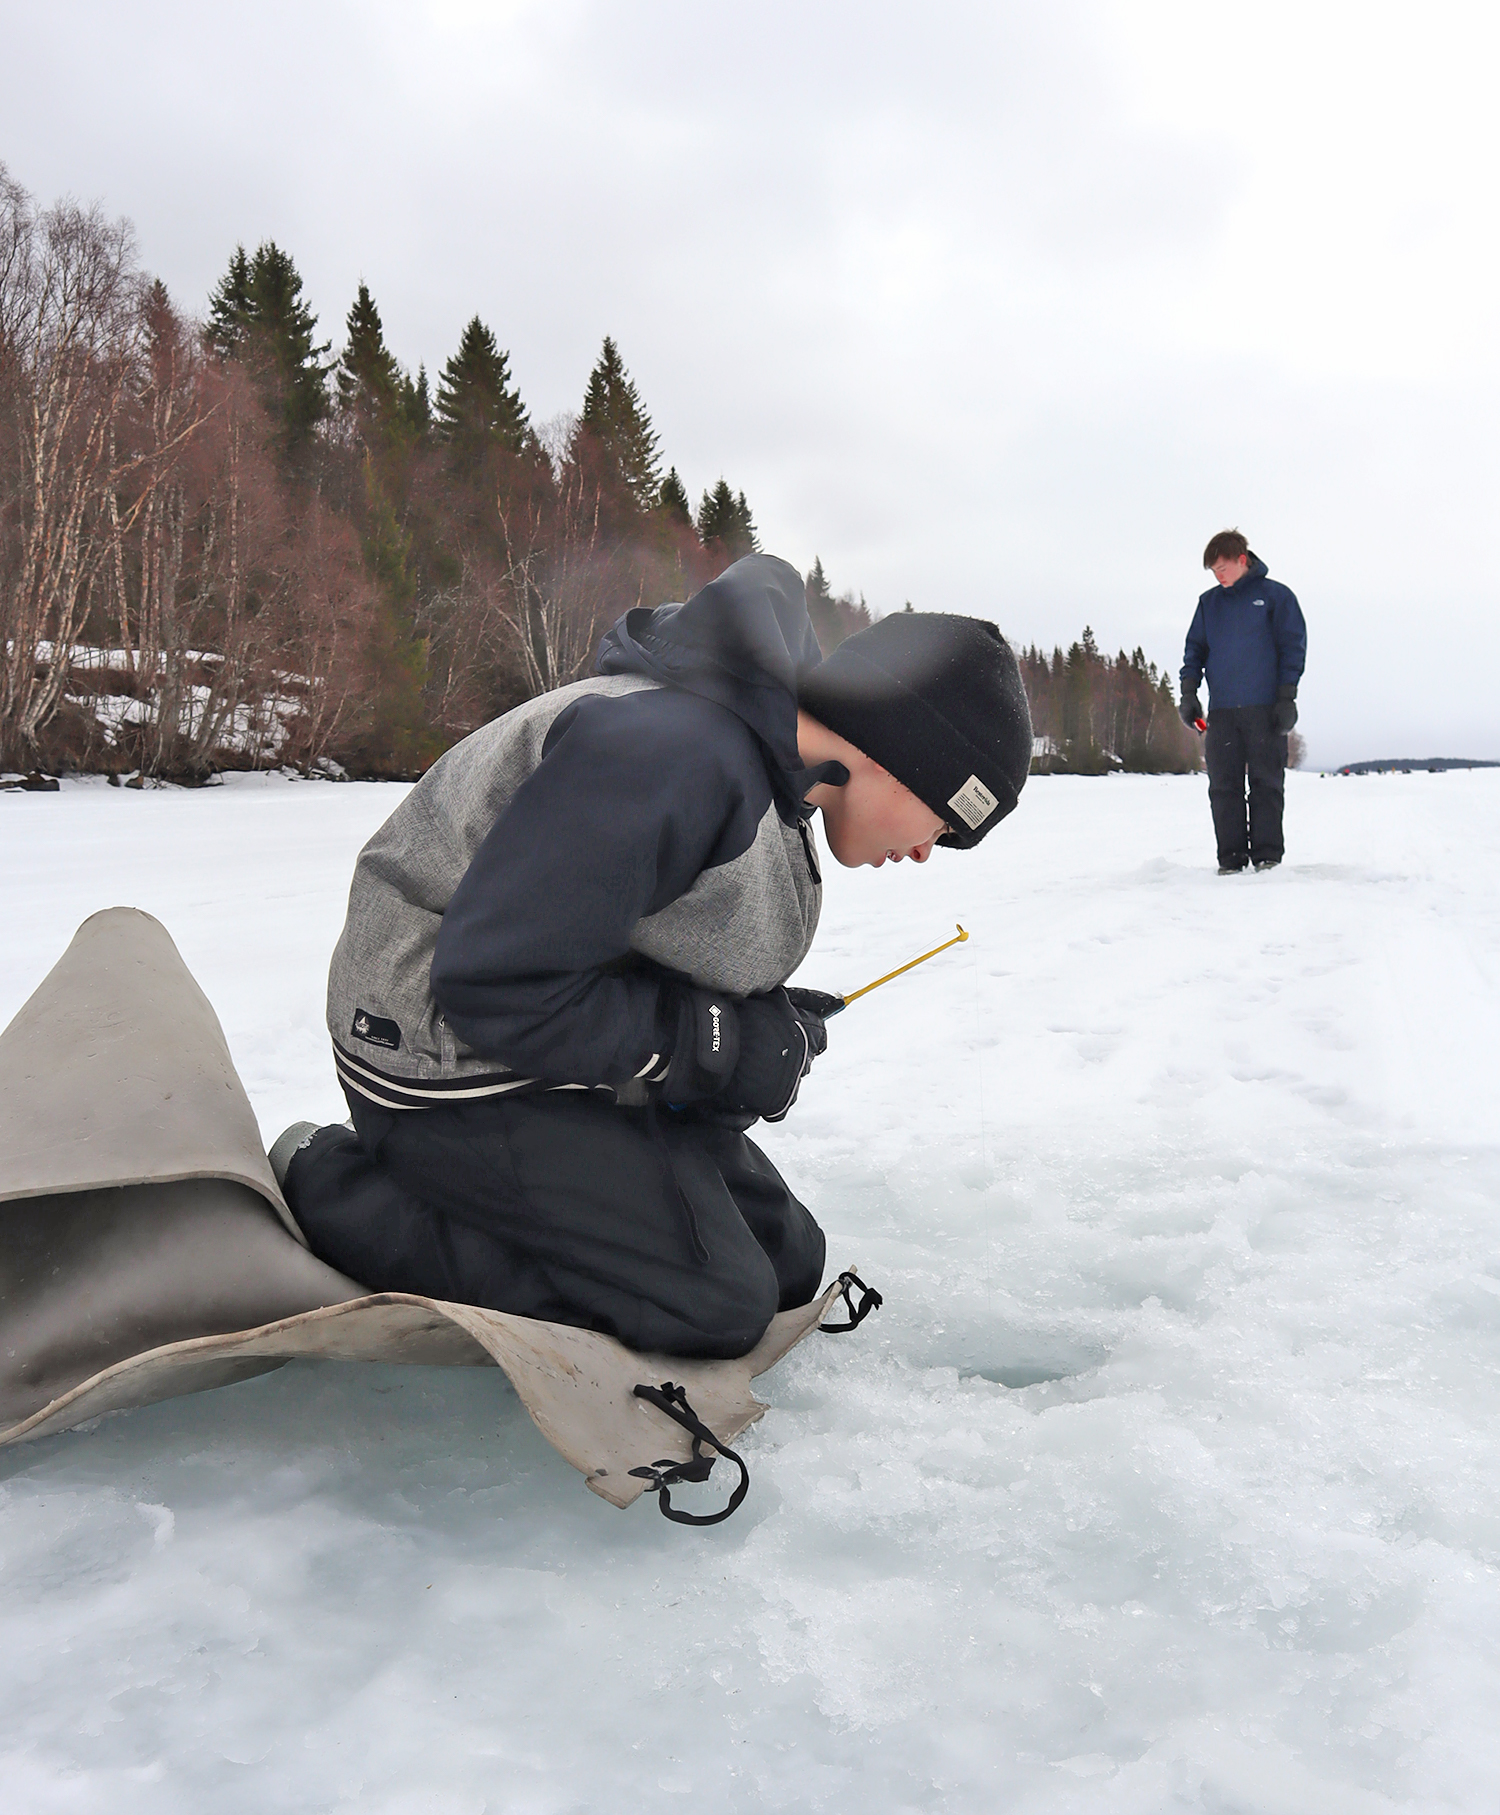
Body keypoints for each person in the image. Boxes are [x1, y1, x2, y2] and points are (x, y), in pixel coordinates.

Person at [275, 554, 1033, 1361]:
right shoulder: (676, 755)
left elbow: (622, 926)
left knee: (788, 1260)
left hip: (536, 1053)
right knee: (715, 1303)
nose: (926, 851)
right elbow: (494, 983)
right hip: (438, 1062)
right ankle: (335, 1182)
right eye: (945, 821)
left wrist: (752, 1028)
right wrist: (715, 1044)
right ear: (907, 750)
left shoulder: (767, 774)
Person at [1179, 530, 1307, 873]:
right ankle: (1231, 859)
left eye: (1223, 568)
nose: (1218, 576)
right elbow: (1195, 650)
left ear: (1242, 560)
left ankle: (1267, 857)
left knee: (1266, 783)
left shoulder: (1276, 597)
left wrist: (1286, 697)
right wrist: (1189, 693)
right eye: (1213, 571)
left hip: (1265, 708)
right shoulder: (1209, 604)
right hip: (1222, 711)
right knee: (1223, 786)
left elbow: (1292, 648)